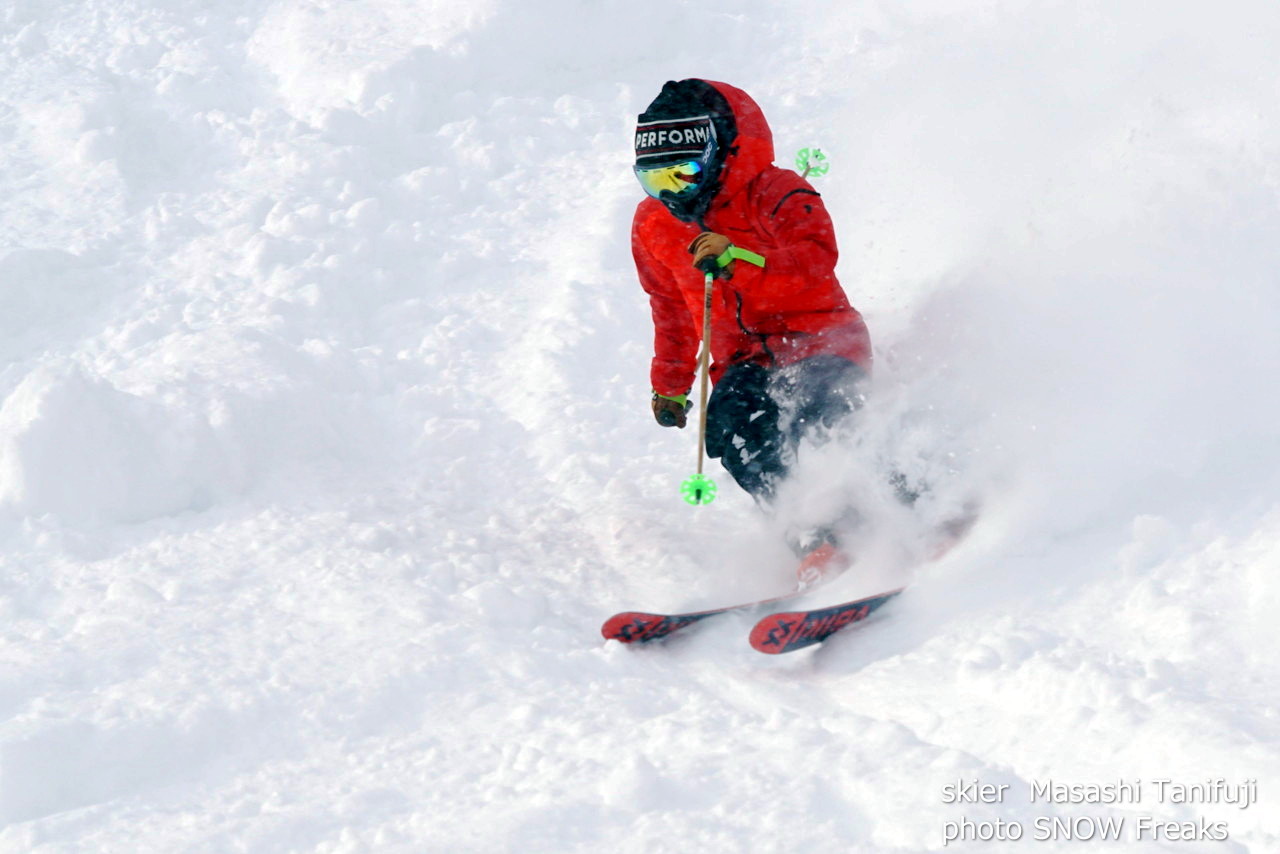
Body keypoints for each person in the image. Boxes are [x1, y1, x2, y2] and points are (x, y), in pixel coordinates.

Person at [630, 78, 872, 555]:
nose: (673, 194)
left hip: (820, 340)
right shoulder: (653, 224)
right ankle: (809, 530)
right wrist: (670, 385)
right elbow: (671, 311)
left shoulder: (775, 191)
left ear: (718, 153)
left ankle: (901, 496)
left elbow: (814, 260)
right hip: (742, 362)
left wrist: (739, 258)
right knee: (733, 426)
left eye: (684, 175)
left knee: (814, 407)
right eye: (656, 181)